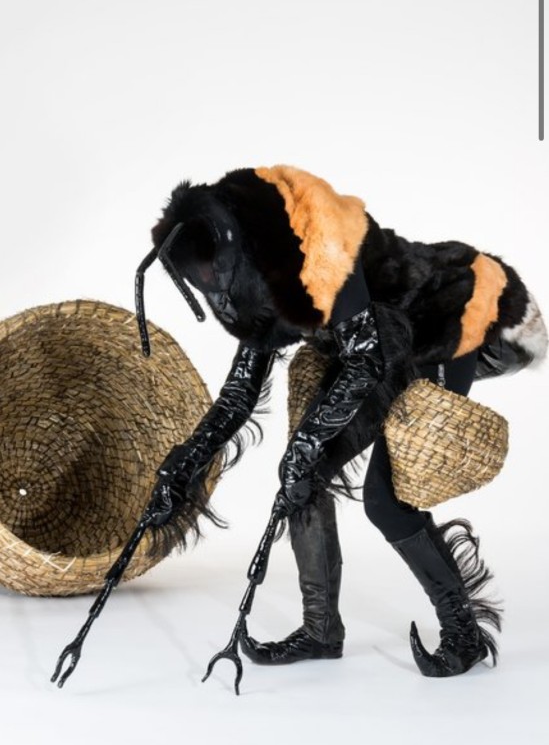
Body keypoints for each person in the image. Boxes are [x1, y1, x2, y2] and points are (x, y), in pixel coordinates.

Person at [51, 165, 547, 689]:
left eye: (212, 272)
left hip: (453, 318)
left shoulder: (316, 243)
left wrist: (307, 442)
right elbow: (240, 394)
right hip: (377, 343)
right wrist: (186, 462)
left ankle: (464, 635)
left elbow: (366, 358)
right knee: (302, 479)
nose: (213, 289)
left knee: (385, 500)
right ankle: (320, 630)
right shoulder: (254, 276)